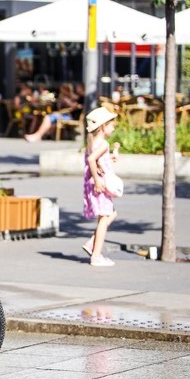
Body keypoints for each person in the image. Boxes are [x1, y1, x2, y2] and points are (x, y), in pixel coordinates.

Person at [81, 107, 119, 267]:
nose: (114, 128)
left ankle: (92, 243)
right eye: (111, 125)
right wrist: (97, 180)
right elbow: (91, 160)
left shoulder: (92, 143)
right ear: (103, 127)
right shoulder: (103, 144)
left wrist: (112, 156)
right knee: (104, 218)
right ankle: (96, 256)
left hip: (93, 185)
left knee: (110, 214)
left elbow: (95, 160)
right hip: (99, 185)